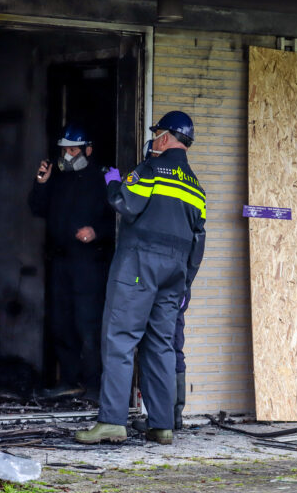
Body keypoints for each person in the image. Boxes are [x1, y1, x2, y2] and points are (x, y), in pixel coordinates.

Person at [75, 111, 206, 445]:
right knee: (161, 345)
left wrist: (113, 181)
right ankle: (162, 426)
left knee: (120, 339)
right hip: (175, 274)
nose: (154, 138)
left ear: (165, 137)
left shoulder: (150, 170)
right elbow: (198, 242)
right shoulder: (197, 189)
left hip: (139, 266)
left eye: (157, 132)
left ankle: (112, 422)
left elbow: (126, 203)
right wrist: (185, 285)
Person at [28, 123, 114, 402]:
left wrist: (96, 231)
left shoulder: (105, 178)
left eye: (73, 150)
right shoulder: (58, 176)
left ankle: (93, 386)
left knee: (87, 324)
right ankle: (69, 381)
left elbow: (123, 217)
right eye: (64, 150)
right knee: (61, 322)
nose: (67, 156)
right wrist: (41, 181)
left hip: (89, 265)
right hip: (61, 263)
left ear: (88, 150)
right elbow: (36, 209)